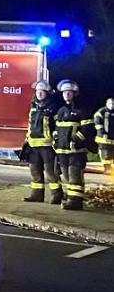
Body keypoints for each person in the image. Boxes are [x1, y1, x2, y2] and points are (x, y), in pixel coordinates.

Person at [53, 79, 96, 210]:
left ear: (74, 93)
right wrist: (56, 140)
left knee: (74, 175)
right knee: (66, 176)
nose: (66, 94)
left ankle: (76, 201)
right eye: (64, 92)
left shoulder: (82, 110)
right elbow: (57, 129)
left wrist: (75, 140)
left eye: (69, 92)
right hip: (62, 150)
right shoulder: (61, 111)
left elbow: (87, 129)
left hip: (77, 151)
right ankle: (70, 197)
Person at [23, 79, 63, 204]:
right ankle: (36, 195)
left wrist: (56, 139)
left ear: (47, 93)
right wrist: (27, 139)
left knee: (51, 172)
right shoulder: (33, 106)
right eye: (38, 91)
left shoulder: (53, 107)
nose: (39, 93)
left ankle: (57, 195)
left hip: (47, 145)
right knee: (35, 171)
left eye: (42, 91)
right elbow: (30, 124)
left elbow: (58, 125)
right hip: (33, 143)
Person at [94, 97, 114, 173]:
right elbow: (98, 123)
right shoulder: (101, 112)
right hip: (103, 138)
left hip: (112, 137)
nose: (112, 105)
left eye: (113, 104)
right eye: (110, 103)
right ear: (106, 104)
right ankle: (107, 168)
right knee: (105, 153)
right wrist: (102, 132)